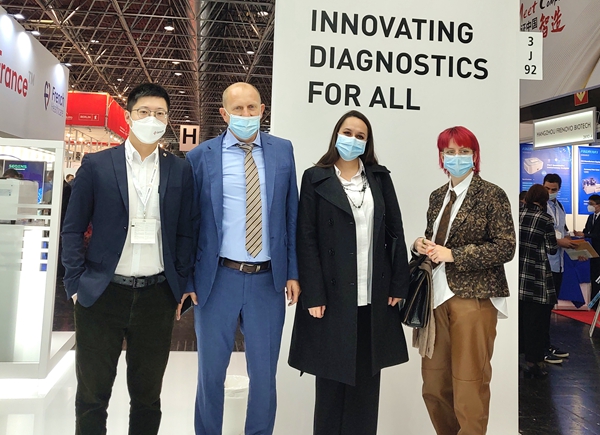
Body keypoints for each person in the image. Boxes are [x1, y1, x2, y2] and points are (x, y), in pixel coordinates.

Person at [61, 83, 194, 435]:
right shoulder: (97, 165)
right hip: (102, 293)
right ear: (129, 115)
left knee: (148, 397)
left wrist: (179, 284)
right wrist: (75, 283)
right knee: (92, 395)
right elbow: (72, 228)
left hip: (156, 296)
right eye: (144, 112)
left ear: (168, 119)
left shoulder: (180, 170)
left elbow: (186, 232)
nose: (152, 119)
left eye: (160, 113)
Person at [183, 82, 300, 435]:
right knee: (210, 374)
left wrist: (293, 271)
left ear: (262, 110)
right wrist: (188, 281)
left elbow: (291, 215)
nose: (246, 115)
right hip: (217, 279)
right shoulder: (200, 157)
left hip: (268, 281)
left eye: (252, 108)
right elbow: (189, 225)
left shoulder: (282, 151)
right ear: (224, 114)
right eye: (238, 109)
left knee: (264, 376)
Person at [288, 110, 410, 434]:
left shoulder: (379, 178)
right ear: (336, 135)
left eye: (360, 136)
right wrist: (313, 293)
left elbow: (395, 231)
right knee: (330, 388)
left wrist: (399, 283)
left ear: (367, 143)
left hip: (373, 297)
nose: (353, 140)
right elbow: (306, 237)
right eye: (347, 132)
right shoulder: (315, 177)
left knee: (366, 392)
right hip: (331, 298)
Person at [412, 126, 515, 435]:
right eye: (450, 152)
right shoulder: (437, 196)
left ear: (474, 155)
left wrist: (455, 255)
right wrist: (420, 244)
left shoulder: (492, 194)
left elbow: (505, 247)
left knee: (469, 385)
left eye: (463, 151)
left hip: (475, 298)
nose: (456, 157)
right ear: (441, 156)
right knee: (433, 384)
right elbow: (436, 238)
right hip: (435, 298)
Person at [519, 184, 558, 379]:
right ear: (544, 200)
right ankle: (533, 362)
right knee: (535, 322)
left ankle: (517, 357)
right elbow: (552, 248)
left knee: (520, 319)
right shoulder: (545, 219)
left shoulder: (517, 215)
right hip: (537, 276)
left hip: (518, 274)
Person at [542, 173, 572, 363]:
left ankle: (547, 344)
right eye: (547, 188)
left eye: (553, 189)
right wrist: (559, 241)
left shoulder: (559, 206)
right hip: (544, 263)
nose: (550, 192)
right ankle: (541, 348)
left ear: (559, 189)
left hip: (557, 263)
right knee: (542, 310)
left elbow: (563, 230)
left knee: (550, 308)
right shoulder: (539, 206)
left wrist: (573, 245)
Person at [581, 194, 600, 306]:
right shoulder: (590, 217)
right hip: (591, 252)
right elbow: (586, 230)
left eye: (591, 204)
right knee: (593, 277)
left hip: (599, 250)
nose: (589, 206)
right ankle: (593, 303)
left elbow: (597, 235)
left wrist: (585, 234)